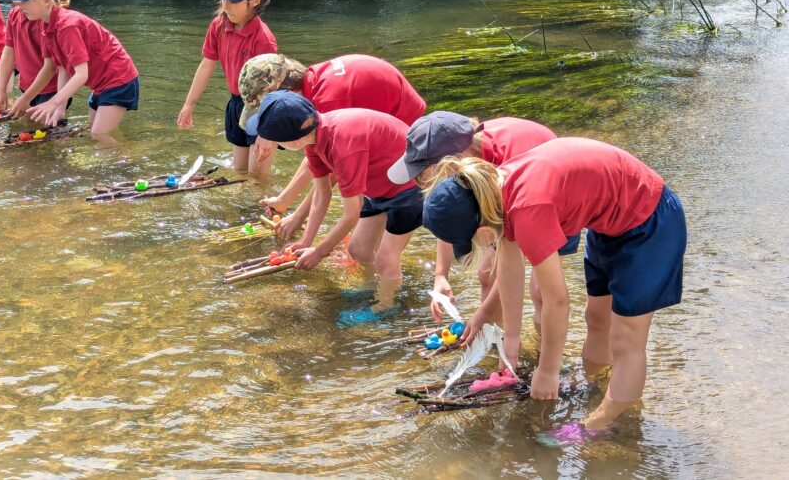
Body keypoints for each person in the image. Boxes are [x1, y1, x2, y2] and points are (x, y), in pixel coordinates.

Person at [422, 137, 686, 443]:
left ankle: (602, 423)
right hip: (611, 224)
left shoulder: (528, 208)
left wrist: (547, 370)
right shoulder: (493, 189)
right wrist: (512, 338)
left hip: (650, 222)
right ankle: (593, 388)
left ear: (481, 232)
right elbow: (509, 265)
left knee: (626, 339)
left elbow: (557, 301)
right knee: (596, 320)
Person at [386, 112, 562, 323]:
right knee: (486, 274)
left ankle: (538, 351)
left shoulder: (507, 170)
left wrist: (482, 314)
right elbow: (449, 217)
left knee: (541, 292)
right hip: (511, 191)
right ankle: (493, 339)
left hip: (549, 195)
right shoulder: (461, 162)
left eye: (425, 175)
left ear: (453, 162)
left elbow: (512, 263)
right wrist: (441, 275)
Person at [247, 91, 422, 295]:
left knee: (386, 257)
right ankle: (374, 290)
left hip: (410, 186)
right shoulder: (313, 139)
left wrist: (320, 252)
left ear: (293, 142)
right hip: (379, 187)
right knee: (358, 250)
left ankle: (386, 306)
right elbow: (322, 194)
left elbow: (351, 214)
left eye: (278, 143)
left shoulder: (344, 145)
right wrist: (306, 240)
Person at [240, 53, 425, 235]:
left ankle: (372, 241)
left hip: (399, 117)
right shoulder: (309, 85)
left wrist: (298, 216)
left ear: (285, 90)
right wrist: (284, 200)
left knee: (370, 184)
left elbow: (334, 167)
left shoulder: (329, 101)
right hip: (379, 106)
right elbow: (314, 158)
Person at [2, 0, 138, 145]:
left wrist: (53, 102)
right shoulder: (46, 25)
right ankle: (115, 161)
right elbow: (60, 67)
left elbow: (82, 74)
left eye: (25, 0)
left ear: (46, 0)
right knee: (94, 132)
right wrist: (59, 108)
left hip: (119, 80)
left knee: (98, 134)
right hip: (101, 85)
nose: (19, 5)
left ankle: (130, 164)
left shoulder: (68, 26)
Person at [177, 0, 277, 173]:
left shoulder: (263, 41)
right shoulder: (219, 26)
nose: (225, 5)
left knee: (258, 178)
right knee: (241, 173)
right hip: (235, 104)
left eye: (232, 0)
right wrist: (189, 103)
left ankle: (267, 206)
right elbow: (207, 64)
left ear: (255, 0)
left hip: (260, 109)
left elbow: (271, 91)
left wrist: (265, 133)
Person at [0, 0, 70, 118]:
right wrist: (1, 90)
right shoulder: (14, 15)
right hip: (27, 86)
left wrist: (26, 99)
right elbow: (8, 52)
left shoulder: (46, 19)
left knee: (49, 132)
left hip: (52, 89)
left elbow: (51, 67)